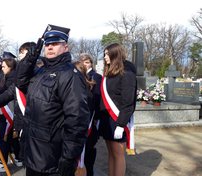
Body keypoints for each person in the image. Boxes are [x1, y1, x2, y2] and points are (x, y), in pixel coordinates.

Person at [16, 24, 90, 176]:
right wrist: (31, 57)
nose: (50, 47)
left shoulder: (70, 75)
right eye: (47, 44)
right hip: (33, 152)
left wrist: (69, 156)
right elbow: (20, 82)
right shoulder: (41, 71)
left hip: (52, 158)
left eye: (55, 43)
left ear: (65, 47)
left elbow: (77, 120)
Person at [99, 43, 137, 176]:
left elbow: (128, 103)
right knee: (111, 153)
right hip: (106, 120)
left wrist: (121, 125)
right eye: (104, 54)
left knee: (118, 154)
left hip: (117, 120)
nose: (105, 57)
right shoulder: (109, 74)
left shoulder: (127, 74)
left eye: (107, 54)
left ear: (115, 54)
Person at [74, 53, 102, 176]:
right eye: (83, 62)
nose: (85, 64)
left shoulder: (95, 77)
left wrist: (95, 118)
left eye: (87, 62)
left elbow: (96, 98)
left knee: (87, 158)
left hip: (89, 123)